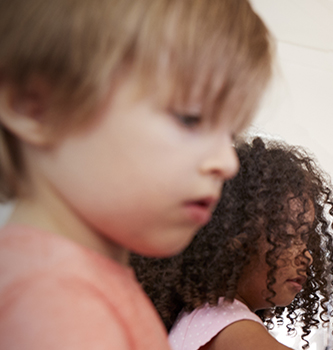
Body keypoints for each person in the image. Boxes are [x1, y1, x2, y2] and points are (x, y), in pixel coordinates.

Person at [0, 0, 273, 348]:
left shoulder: (85, 284)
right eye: (190, 117)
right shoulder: (51, 302)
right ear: (33, 106)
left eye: (230, 134)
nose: (227, 162)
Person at [132, 137, 333, 350]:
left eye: (306, 237)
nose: (306, 254)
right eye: (288, 235)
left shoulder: (212, 318)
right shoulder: (220, 322)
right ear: (234, 241)